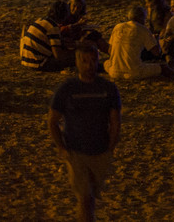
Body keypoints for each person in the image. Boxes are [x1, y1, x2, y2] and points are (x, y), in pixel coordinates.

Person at [48, 41, 120, 222]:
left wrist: (110, 147)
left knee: (91, 196)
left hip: (100, 150)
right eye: (85, 61)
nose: (89, 65)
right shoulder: (67, 89)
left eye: (93, 61)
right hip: (76, 151)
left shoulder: (108, 89)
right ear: (77, 62)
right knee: (85, 198)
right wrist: (62, 148)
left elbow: (115, 120)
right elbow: (53, 121)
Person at [104, 5, 166, 81]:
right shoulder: (143, 29)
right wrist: (156, 39)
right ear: (141, 18)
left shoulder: (117, 27)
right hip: (134, 72)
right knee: (163, 68)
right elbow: (157, 52)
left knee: (106, 62)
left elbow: (110, 50)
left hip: (114, 72)